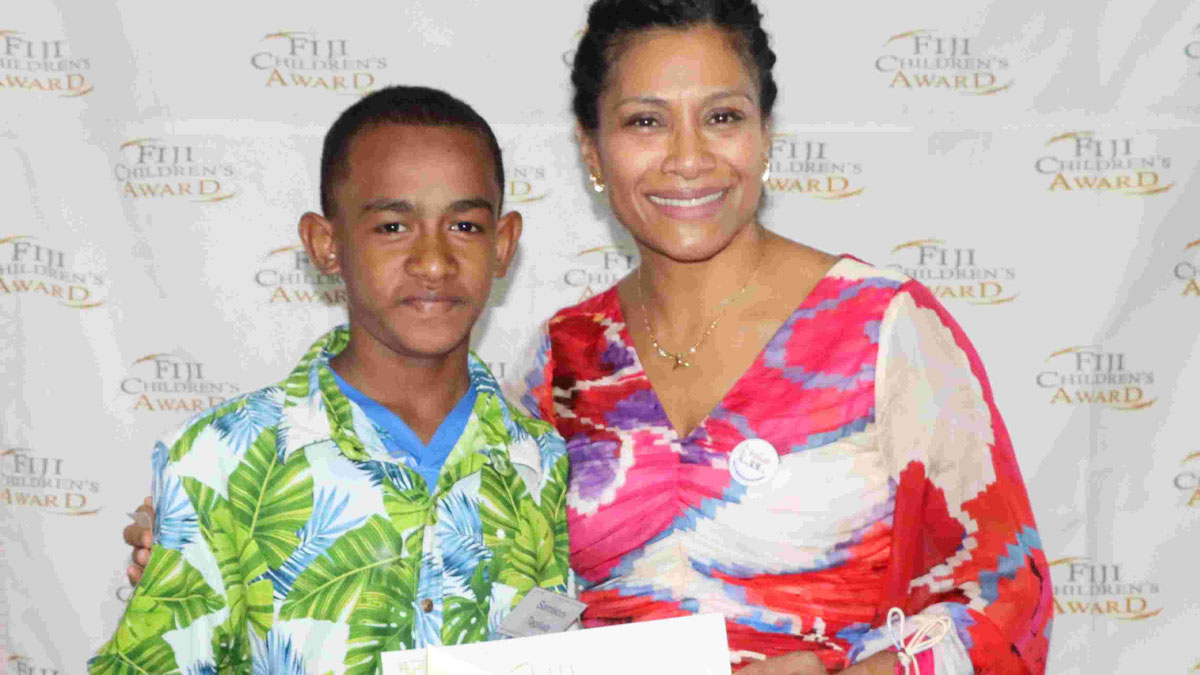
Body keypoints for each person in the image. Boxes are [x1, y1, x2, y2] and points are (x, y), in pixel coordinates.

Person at [123, 1, 1054, 673]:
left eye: (722, 116)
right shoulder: (562, 363)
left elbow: (1008, 598)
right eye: (646, 121)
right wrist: (217, 532)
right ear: (591, 150)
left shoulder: (884, 329)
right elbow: (467, 570)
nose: (687, 158)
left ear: (766, 134)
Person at [92, 86, 570, 673]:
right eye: (392, 227)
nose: (433, 262)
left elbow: (551, 644)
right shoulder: (218, 460)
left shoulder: (538, 459)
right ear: (326, 245)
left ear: (502, 245)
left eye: (465, 225)